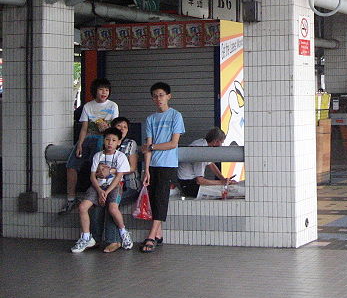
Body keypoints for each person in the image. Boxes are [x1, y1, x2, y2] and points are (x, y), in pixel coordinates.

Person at [60, 78, 118, 214]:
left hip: (104, 139)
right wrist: (79, 143)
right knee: (71, 165)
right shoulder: (88, 106)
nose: (104, 92)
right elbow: (84, 129)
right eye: (101, 89)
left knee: (97, 166)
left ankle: (97, 195)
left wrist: (107, 128)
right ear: (95, 91)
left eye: (107, 90)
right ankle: (71, 199)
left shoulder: (113, 106)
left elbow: (115, 128)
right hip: (88, 139)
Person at [70, 127, 132, 253]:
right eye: (107, 139)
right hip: (97, 186)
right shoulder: (98, 155)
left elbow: (119, 177)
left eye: (114, 140)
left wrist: (106, 192)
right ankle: (86, 237)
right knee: (83, 207)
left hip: (114, 187)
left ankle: (123, 232)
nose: (110, 143)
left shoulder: (121, 157)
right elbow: (92, 175)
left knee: (113, 208)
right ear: (103, 140)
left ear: (119, 142)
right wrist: (99, 191)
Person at [140, 82, 185, 253]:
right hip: (153, 165)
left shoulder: (176, 116)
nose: (158, 98)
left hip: (168, 164)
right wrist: (146, 169)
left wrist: (151, 148)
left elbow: (173, 143)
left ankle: (151, 236)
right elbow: (148, 145)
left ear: (168, 96)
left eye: (161, 95)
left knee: (160, 199)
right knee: (152, 199)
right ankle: (159, 234)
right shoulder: (150, 119)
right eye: (155, 96)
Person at [90, 116, 140, 252]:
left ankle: (115, 241)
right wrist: (101, 172)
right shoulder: (105, 144)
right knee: (98, 202)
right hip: (107, 186)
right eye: (119, 126)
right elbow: (97, 168)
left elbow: (132, 167)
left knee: (111, 204)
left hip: (129, 187)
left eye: (125, 127)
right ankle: (95, 239)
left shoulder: (131, 143)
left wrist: (111, 170)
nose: (122, 129)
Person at [177, 127, 237, 198]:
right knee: (226, 192)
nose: (221, 146)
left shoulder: (201, 143)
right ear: (215, 141)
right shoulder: (201, 153)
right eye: (221, 142)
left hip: (187, 183)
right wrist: (222, 183)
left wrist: (223, 179)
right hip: (189, 186)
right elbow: (200, 181)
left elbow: (211, 164)